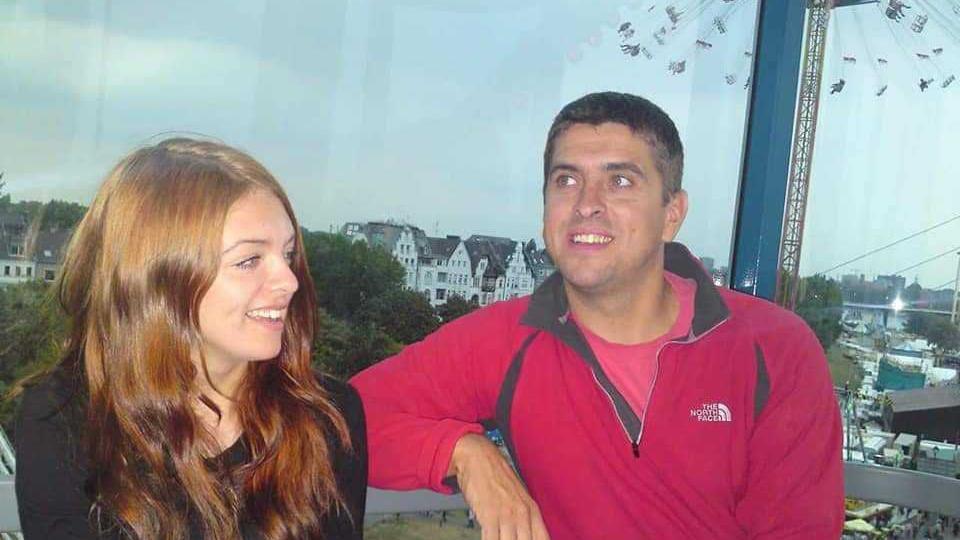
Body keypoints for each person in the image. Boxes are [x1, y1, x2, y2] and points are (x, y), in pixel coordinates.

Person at [351, 92, 843, 539]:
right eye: (567, 180)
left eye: (620, 181)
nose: (587, 205)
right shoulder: (507, 340)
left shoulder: (773, 350)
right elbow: (335, 419)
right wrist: (463, 452)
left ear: (671, 213)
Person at [14, 138, 367, 539]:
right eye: (250, 260)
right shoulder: (66, 420)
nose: (289, 281)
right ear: (159, 280)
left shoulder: (324, 419)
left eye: (287, 254)